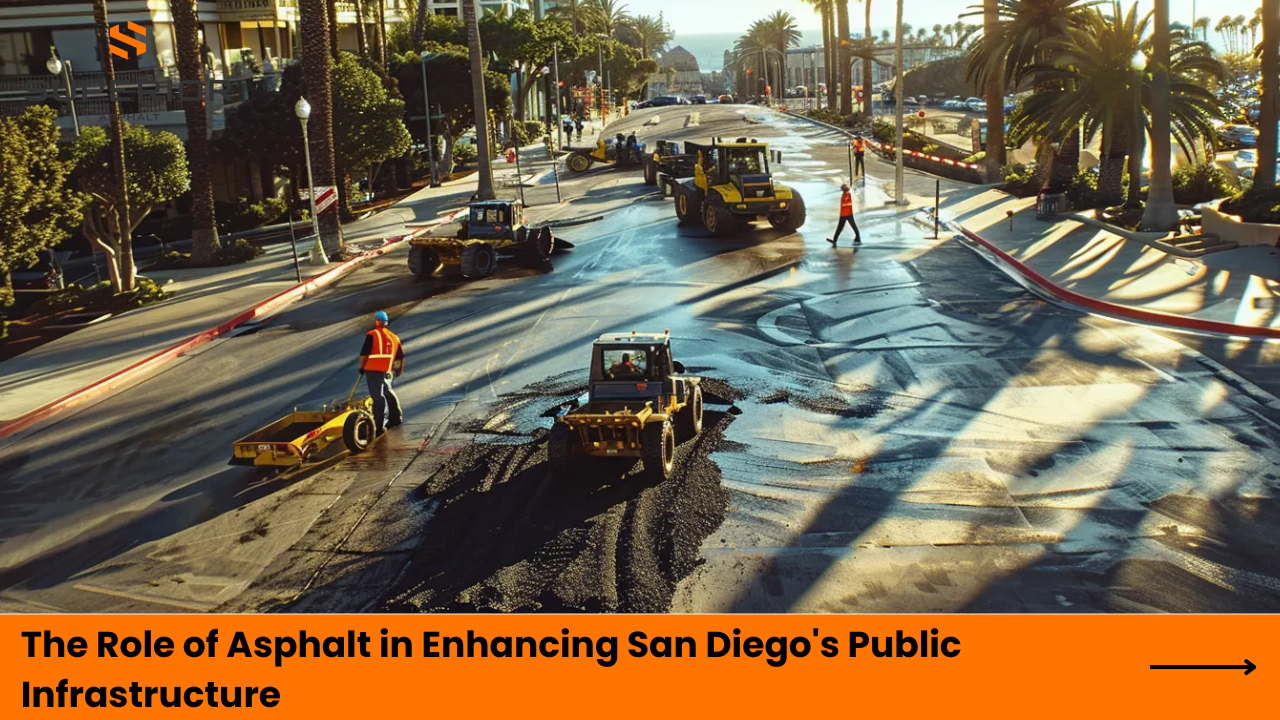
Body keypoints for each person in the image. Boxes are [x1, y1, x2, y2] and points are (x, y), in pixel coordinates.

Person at [359, 311, 404, 434]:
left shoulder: (372, 334)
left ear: (376, 322)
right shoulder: (394, 337)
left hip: (373, 370)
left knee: (378, 397)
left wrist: (362, 367)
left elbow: (364, 354)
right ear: (386, 323)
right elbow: (399, 356)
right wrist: (397, 371)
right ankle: (396, 417)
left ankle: (378, 426)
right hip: (387, 369)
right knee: (388, 391)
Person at [827, 183, 861, 247]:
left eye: (842, 188)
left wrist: (845, 200)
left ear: (844, 189)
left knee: (853, 226)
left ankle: (858, 237)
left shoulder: (848, 194)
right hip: (843, 214)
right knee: (839, 227)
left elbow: (847, 202)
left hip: (848, 214)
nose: (841, 189)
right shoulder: (844, 194)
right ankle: (834, 240)